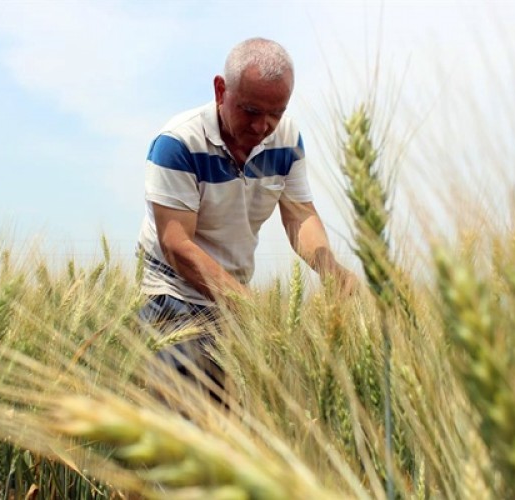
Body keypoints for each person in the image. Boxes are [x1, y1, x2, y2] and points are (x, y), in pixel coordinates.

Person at [137, 37, 355, 405]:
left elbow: (300, 214)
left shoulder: (286, 140)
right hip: (174, 296)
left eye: (276, 113)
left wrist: (330, 268)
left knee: (231, 425)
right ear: (221, 89)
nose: (262, 126)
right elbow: (177, 245)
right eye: (251, 110)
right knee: (182, 425)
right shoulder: (177, 143)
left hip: (234, 294)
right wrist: (251, 307)